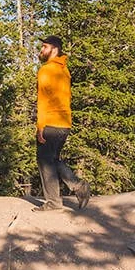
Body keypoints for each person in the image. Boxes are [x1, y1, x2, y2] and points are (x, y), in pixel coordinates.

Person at [35, 35, 91, 210]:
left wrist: (40, 127)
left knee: (44, 160)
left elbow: (43, 100)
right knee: (52, 159)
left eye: (44, 47)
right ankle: (79, 187)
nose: (41, 50)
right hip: (64, 123)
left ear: (54, 49)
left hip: (51, 123)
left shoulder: (46, 70)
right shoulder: (64, 70)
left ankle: (54, 202)